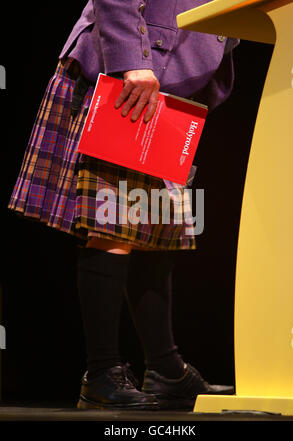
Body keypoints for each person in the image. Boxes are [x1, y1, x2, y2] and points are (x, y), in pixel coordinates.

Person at [8, 0, 238, 410]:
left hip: (175, 83)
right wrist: (132, 60)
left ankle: (166, 370)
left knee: (158, 231)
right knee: (114, 225)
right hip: (131, 73)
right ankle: (100, 373)